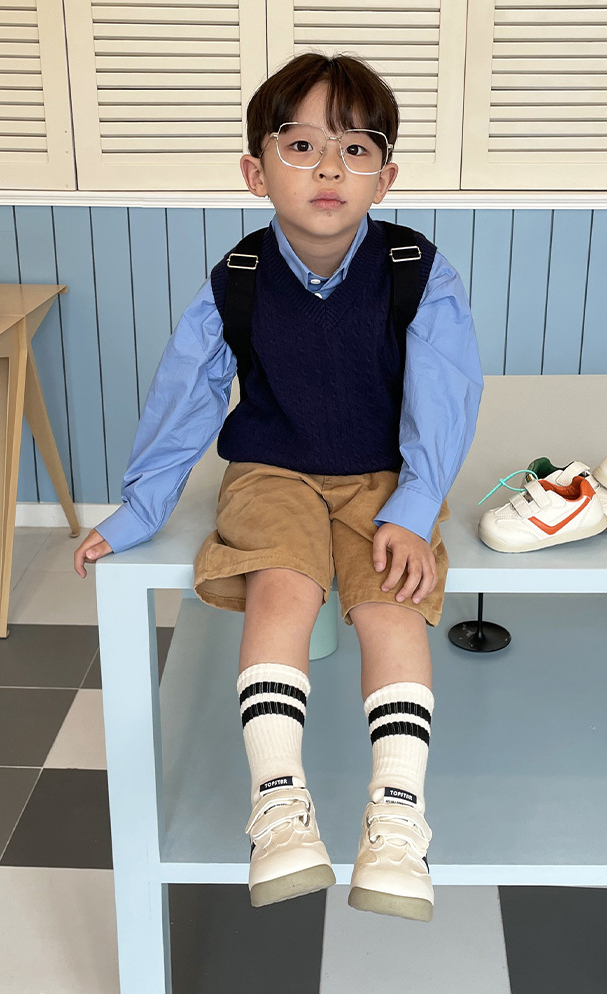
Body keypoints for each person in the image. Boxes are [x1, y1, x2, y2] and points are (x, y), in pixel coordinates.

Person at [74, 52, 483, 923]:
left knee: (390, 606)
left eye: (356, 148)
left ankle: (397, 818)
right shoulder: (239, 279)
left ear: (385, 177)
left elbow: (444, 399)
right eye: (301, 145)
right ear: (256, 172)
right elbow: (184, 396)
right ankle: (278, 805)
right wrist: (142, 508)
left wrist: (415, 507)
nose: (329, 168)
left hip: (384, 476)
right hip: (272, 468)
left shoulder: (416, 269)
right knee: (283, 590)